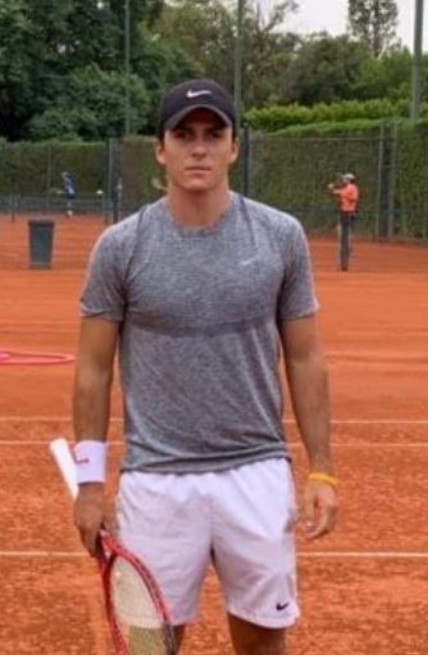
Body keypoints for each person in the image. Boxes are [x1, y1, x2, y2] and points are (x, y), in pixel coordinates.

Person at [71, 79, 338, 655]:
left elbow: (306, 355)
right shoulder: (121, 247)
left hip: (257, 474)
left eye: (213, 134)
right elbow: (93, 369)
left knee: (264, 641)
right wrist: (91, 484)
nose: (199, 148)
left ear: (234, 147)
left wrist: (322, 470)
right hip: (157, 480)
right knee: (149, 647)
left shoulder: (280, 237)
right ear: (160, 149)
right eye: (183, 134)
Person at [327, 173, 359, 269]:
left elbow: (354, 198)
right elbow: (336, 193)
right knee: (341, 238)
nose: (343, 180)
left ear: (349, 180)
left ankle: (347, 262)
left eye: (345, 179)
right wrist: (331, 189)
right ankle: (342, 263)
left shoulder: (352, 187)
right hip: (343, 214)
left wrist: (343, 195)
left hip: (349, 214)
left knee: (348, 239)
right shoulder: (345, 188)